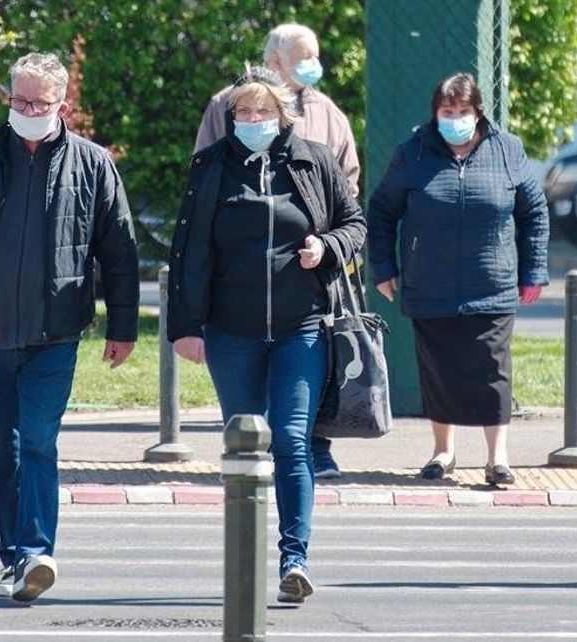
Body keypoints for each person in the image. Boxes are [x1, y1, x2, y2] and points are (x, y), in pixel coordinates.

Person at [0, 52, 140, 603]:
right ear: (8, 98)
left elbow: (120, 252)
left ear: (61, 103)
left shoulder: (92, 164)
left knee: (38, 442)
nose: (28, 109)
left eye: (40, 103)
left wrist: (124, 326)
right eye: (20, 100)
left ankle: (38, 551)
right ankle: (15, 555)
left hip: (55, 335)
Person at [168, 65, 365, 604]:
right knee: (244, 441)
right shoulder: (210, 167)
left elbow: (355, 225)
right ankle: (246, 556)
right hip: (230, 332)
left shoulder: (313, 160)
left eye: (263, 112)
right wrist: (183, 327)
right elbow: (186, 253)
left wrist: (326, 247)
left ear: (283, 115)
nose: (253, 121)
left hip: (301, 329)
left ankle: (294, 558)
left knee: (292, 439)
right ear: (229, 117)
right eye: (243, 113)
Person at [195, 23, 360, 479]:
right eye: (302, 57)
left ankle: (315, 447)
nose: (313, 66)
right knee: (249, 407)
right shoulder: (225, 107)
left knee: (306, 382)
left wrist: (327, 242)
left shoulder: (328, 113)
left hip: (308, 277)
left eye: (315, 55)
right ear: (273, 63)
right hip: (237, 291)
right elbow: (206, 175)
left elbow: (348, 188)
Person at [367, 72, 549, 486]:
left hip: (493, 283)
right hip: (429, 283)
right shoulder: (412, 153)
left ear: (478, 111)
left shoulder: (507, 150)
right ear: (435, 115)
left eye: (464, 111)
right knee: (439, 369)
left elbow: (534, 213)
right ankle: (442, 452)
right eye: (447, 112)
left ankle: (497, 458)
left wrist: (533, 270)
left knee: (492, 369)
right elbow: (381, 212)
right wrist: (384, 268)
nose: (456, 119)